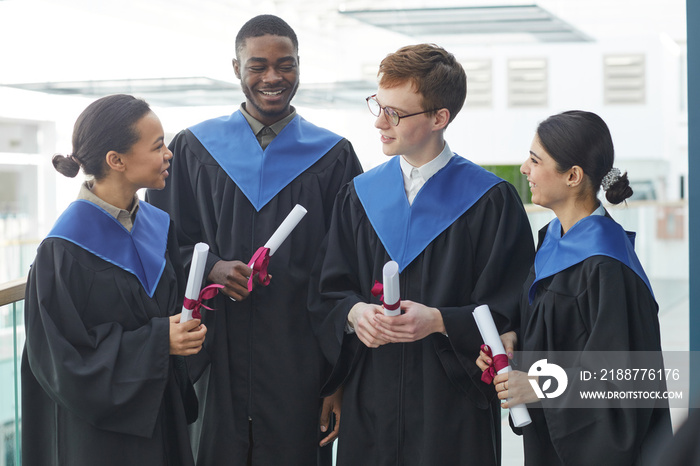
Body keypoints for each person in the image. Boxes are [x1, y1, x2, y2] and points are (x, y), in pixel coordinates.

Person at [145, 14, 363, 466]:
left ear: (299, 67)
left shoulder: (334, 157)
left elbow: (350, 271)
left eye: (286, 65)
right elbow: (161, 243)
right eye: (257, 65)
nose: (272, 77)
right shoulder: (192, 149)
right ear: (236, 68)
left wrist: (337, 379)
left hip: (301, 362)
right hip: (213, 354)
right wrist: (212, 267)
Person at [308, 43, 534, 465]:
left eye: (394, 112)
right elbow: (328, 291)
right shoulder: (357, 198)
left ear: (438, 118)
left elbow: (510, 310)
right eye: (378, 105)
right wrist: (355, 315)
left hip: (452, 409)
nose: (379, 121)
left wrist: (440, 321)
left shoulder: (490, 201)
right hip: (369, 403)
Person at [477, 110, 672, 465]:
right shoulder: (551, 242)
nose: (524, 168)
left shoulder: (607, 266)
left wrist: (537, 385)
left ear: (573, 176)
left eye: (535, 160)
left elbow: (620, 379)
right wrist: (512, 347)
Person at [21, 94, 207, 466]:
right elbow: (62, 361)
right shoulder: (63, 251)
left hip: (160, 414)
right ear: (116, 160)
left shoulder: (157, 225)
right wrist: (158, 341)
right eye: (157, 147)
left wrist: (181, 332)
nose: (168, 154)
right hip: (101, 439)